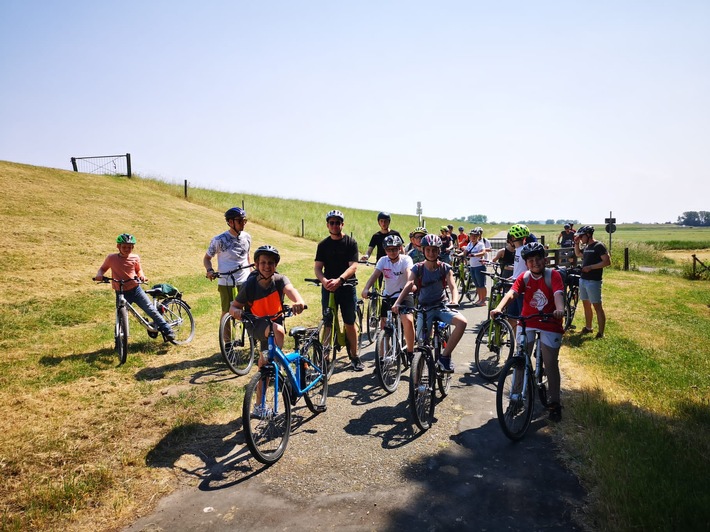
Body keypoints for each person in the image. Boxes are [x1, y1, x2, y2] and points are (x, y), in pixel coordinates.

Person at [491, 242, 566, 421]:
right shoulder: (524, 277)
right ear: (526, 263)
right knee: (519, 360)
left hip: (550, 321)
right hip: (528, 321)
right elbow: (512, 293)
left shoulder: (553, 275)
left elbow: (558, 294)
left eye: (538, 259)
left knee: (550, 363)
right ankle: (516, 397)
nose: (535, 263)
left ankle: (555, 403)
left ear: (544, 259)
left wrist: (560, 309)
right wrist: (499, 308)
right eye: (530, 260)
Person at [393, 234, 467, 373]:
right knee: (422, 346)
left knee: (462, 322)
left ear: (439, 251)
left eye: (434, 250)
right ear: (423, 250)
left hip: (442, 307)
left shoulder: (445, 268)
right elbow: (409, 284)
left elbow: (452, 286)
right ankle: (416, 382)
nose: (431, 253)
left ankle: (444, 358)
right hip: (424, 310)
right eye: (428, 250)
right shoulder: (418, 268)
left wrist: (454, 300)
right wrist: (398, 302)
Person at [95, 233, 175, 341]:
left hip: (135, 290)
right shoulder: (111, 258)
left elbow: (138, 270)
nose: (127, 249)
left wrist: (141, 276)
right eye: (124, 247)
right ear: (118, 246)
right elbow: (103, 268)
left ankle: (167, 329)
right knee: (120, 316)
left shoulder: (135, 257)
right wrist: (99, 275)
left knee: (150, 309)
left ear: (133, 247)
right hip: (120, 291)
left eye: (130, 247)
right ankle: (118, 343)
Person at [229, 245, 306, 352]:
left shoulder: (280, 280)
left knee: (264, 359)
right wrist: (236, 312)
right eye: (263, 262)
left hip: (276, 320)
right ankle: (276, 362)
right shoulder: (249, 285)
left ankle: (269, 363)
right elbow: (233, 307)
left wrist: (299, 301)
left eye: (270, 263)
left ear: (275, 265)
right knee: (277, 332)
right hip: (256, 323)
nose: (267, 266)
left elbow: (290, 289)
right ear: (256, 264)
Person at [314, 209, 363, 371]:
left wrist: (340, 280)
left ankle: (355, 356)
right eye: (331, 223)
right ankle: (325, 358)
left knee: (349, 322)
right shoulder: (323, 245)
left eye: (337, 223)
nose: (335, 225)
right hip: (328, 288)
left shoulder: (351, 242)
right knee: (328, 322)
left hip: (347, 287)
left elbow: (354, 266)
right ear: (328, 225)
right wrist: (324, 280)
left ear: (342, 224)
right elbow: (318, 268)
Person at [361, 235, 416, 362]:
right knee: (383, 326)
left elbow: (409, 273)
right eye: (389, 249)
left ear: (400, 248)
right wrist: (366, 288)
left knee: (407, 320)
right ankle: (382, 358)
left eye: (395, 249)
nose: (392, 252)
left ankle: (410, 352)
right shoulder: (383, 260)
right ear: (385, 250)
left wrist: (410, 284)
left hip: (404, 294)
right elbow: (375, 275)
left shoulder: (406, 259)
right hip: (388, 295)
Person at [204, 207, 252, 320]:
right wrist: (209, 270)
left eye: (244, 220)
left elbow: (247, 256)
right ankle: (226, 338)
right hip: (226, 281)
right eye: (240, 221)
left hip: (245, 281)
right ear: (230, 222)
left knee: (249, 310)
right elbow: (207, 258)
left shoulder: (247, 237)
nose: (243, 224)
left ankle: (251, 336)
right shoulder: (219, 240)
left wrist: (252, 274)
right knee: (227, 312)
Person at [574, 225, 611, 338]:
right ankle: (588, 327)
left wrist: (591, 267)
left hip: (593, 281)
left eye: (581, 236)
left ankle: (601, 333)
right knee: (586, 304)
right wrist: (576, 244)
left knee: (597, 306)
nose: (580, 238)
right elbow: (578, 254)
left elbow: (607, 262)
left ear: (588, 235)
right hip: (583, 279)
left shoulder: (598, 246)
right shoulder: (586, 246)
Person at [463, 229, 488, 306]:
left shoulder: (480, 244)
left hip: (479, 266)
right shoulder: (470, 244)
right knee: (477, 285)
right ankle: (480, 299)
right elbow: (465, 252)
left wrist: (474, 255)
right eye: (472, 235)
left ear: (478, 237)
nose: (473, 237)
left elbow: (483, 252)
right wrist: (460, 255)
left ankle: (483, 301)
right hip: (472, 267)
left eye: (475, 236)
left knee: (481, 285)